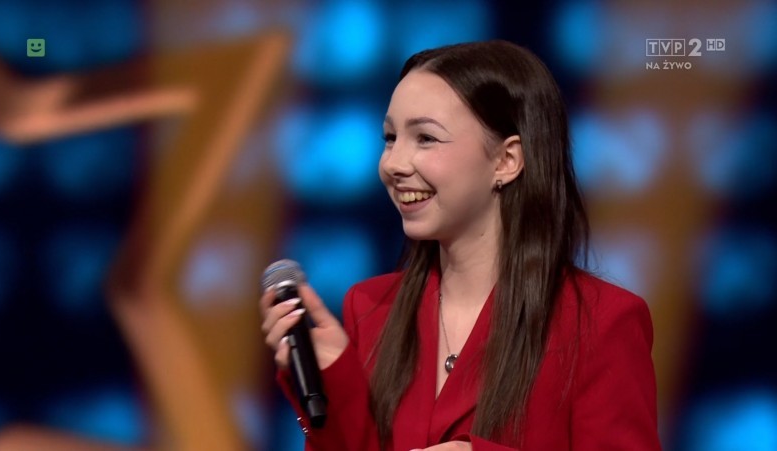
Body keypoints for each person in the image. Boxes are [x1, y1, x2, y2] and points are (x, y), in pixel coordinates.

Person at [260, 40, 661, 451]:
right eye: (390, 137)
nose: (393, 164)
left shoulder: (599, 323)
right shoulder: (370, 309)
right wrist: (334, 382)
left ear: (506, 160)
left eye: (425, 138)